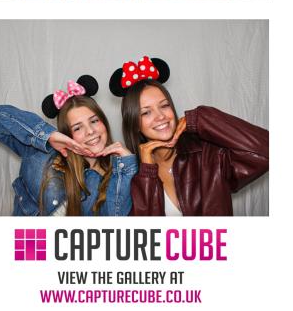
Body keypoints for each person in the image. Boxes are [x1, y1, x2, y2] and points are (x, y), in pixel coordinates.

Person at [109, 55, 268, 215]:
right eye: (146, 112)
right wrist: (147, 173)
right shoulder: (130, 174)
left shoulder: (209, 154)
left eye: (164, 106)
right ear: (134, 124)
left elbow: (265, 151)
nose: (160, 116)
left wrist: (199, 118)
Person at [0, 74, 136, 216]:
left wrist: (127, 166)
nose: (90, 131)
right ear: (67, 135)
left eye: (94, 121)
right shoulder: (41, 154)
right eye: (77, 128)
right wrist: (49, 135)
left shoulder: (118, 173)